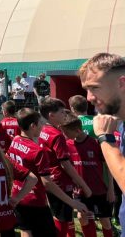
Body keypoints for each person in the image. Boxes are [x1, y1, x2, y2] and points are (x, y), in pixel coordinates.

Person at [7, 108, 87, 237]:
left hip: (18, 196)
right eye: (40, 123)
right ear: (33, 126)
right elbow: (47, 183)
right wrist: (72, 202)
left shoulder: (15, 140)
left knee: (26, 230)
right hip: (35, 201)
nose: (42, 127)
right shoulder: (37, 151)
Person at [79, 54, 125, 228]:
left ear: (121, 83)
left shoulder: (110, 130)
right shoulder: (120, 123)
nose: (89, 97)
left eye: (95, 88)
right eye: (86, 89)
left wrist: (105, 138)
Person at [38, 97, 92, 236]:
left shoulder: (43, 130)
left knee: (58, 216)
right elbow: (65, 164)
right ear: (51, 115)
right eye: (62, 112)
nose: (65, 114)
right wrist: (84, 185)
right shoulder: (57, 135)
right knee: (63, 219)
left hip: (50, 180)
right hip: (60, 182)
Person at [60, 111, 114, 237]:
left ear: (78, 130)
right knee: (83, 218)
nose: (64, 135)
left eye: (66, 132)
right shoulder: (68, 145)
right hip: (80, 191)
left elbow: (108, 166)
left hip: (99, 190)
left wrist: (111, 189)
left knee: (105, 221)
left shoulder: (95, 143)